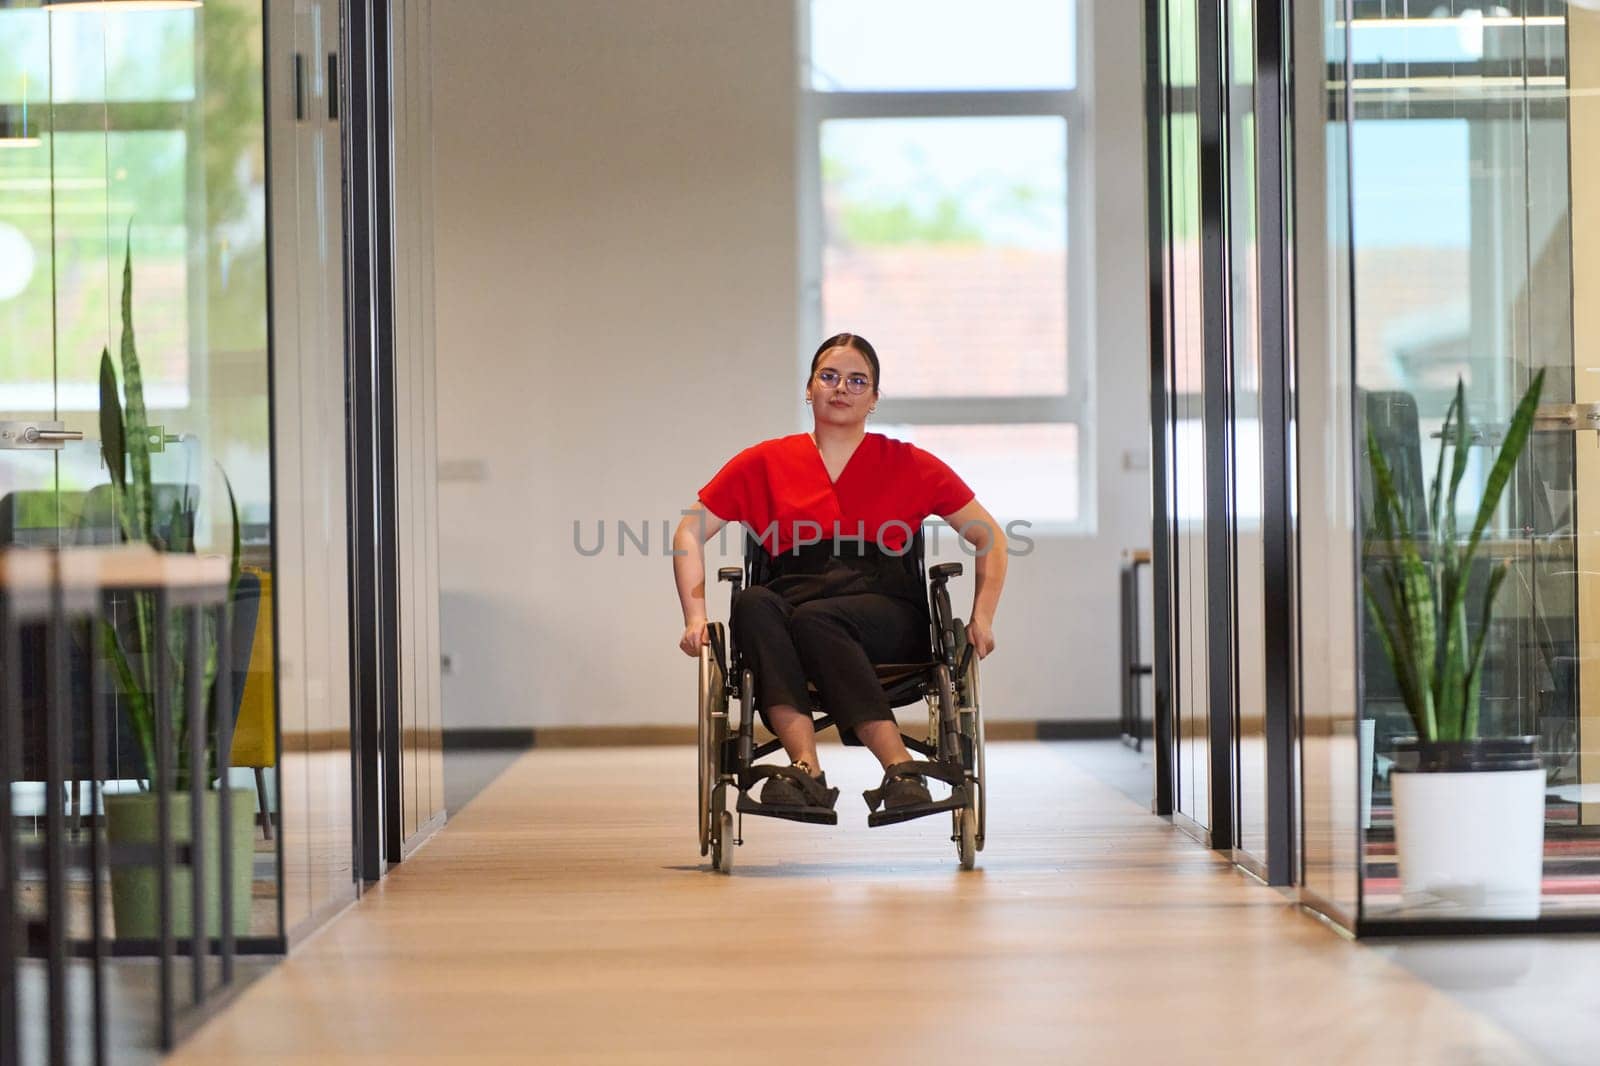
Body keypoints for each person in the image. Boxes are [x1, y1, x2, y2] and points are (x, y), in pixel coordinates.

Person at [672, 333, 1007, 818]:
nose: (841, 388)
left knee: (815, 621)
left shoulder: (908, 463)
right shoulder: (765, 462)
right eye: (828, 377)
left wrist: (983, 616)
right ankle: (805, 769)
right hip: (793, 597)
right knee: (751, 604)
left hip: (886, 610)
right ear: (809, 388)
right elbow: (688, 531)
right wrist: (695, 616)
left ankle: (900, 768)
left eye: (857, 380)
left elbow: (990, 537)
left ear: (873, 398)